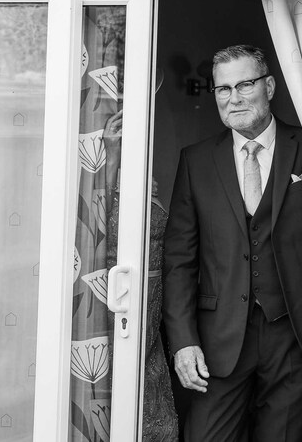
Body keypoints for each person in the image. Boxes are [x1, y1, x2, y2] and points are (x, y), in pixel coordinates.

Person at [162, 45, 302, 441]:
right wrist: (183, 341)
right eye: (222, 89)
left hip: (293, 337)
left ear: (269, 86)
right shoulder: (196, 161)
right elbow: (179, 259)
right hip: (218, 339)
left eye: (245, 84)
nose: (233, 98)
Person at [104, 110, 180, 442]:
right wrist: (110, 154)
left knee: (147, 375)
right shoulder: (99, 188)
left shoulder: (148, 188)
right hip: (115, 297)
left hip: (151, 296)